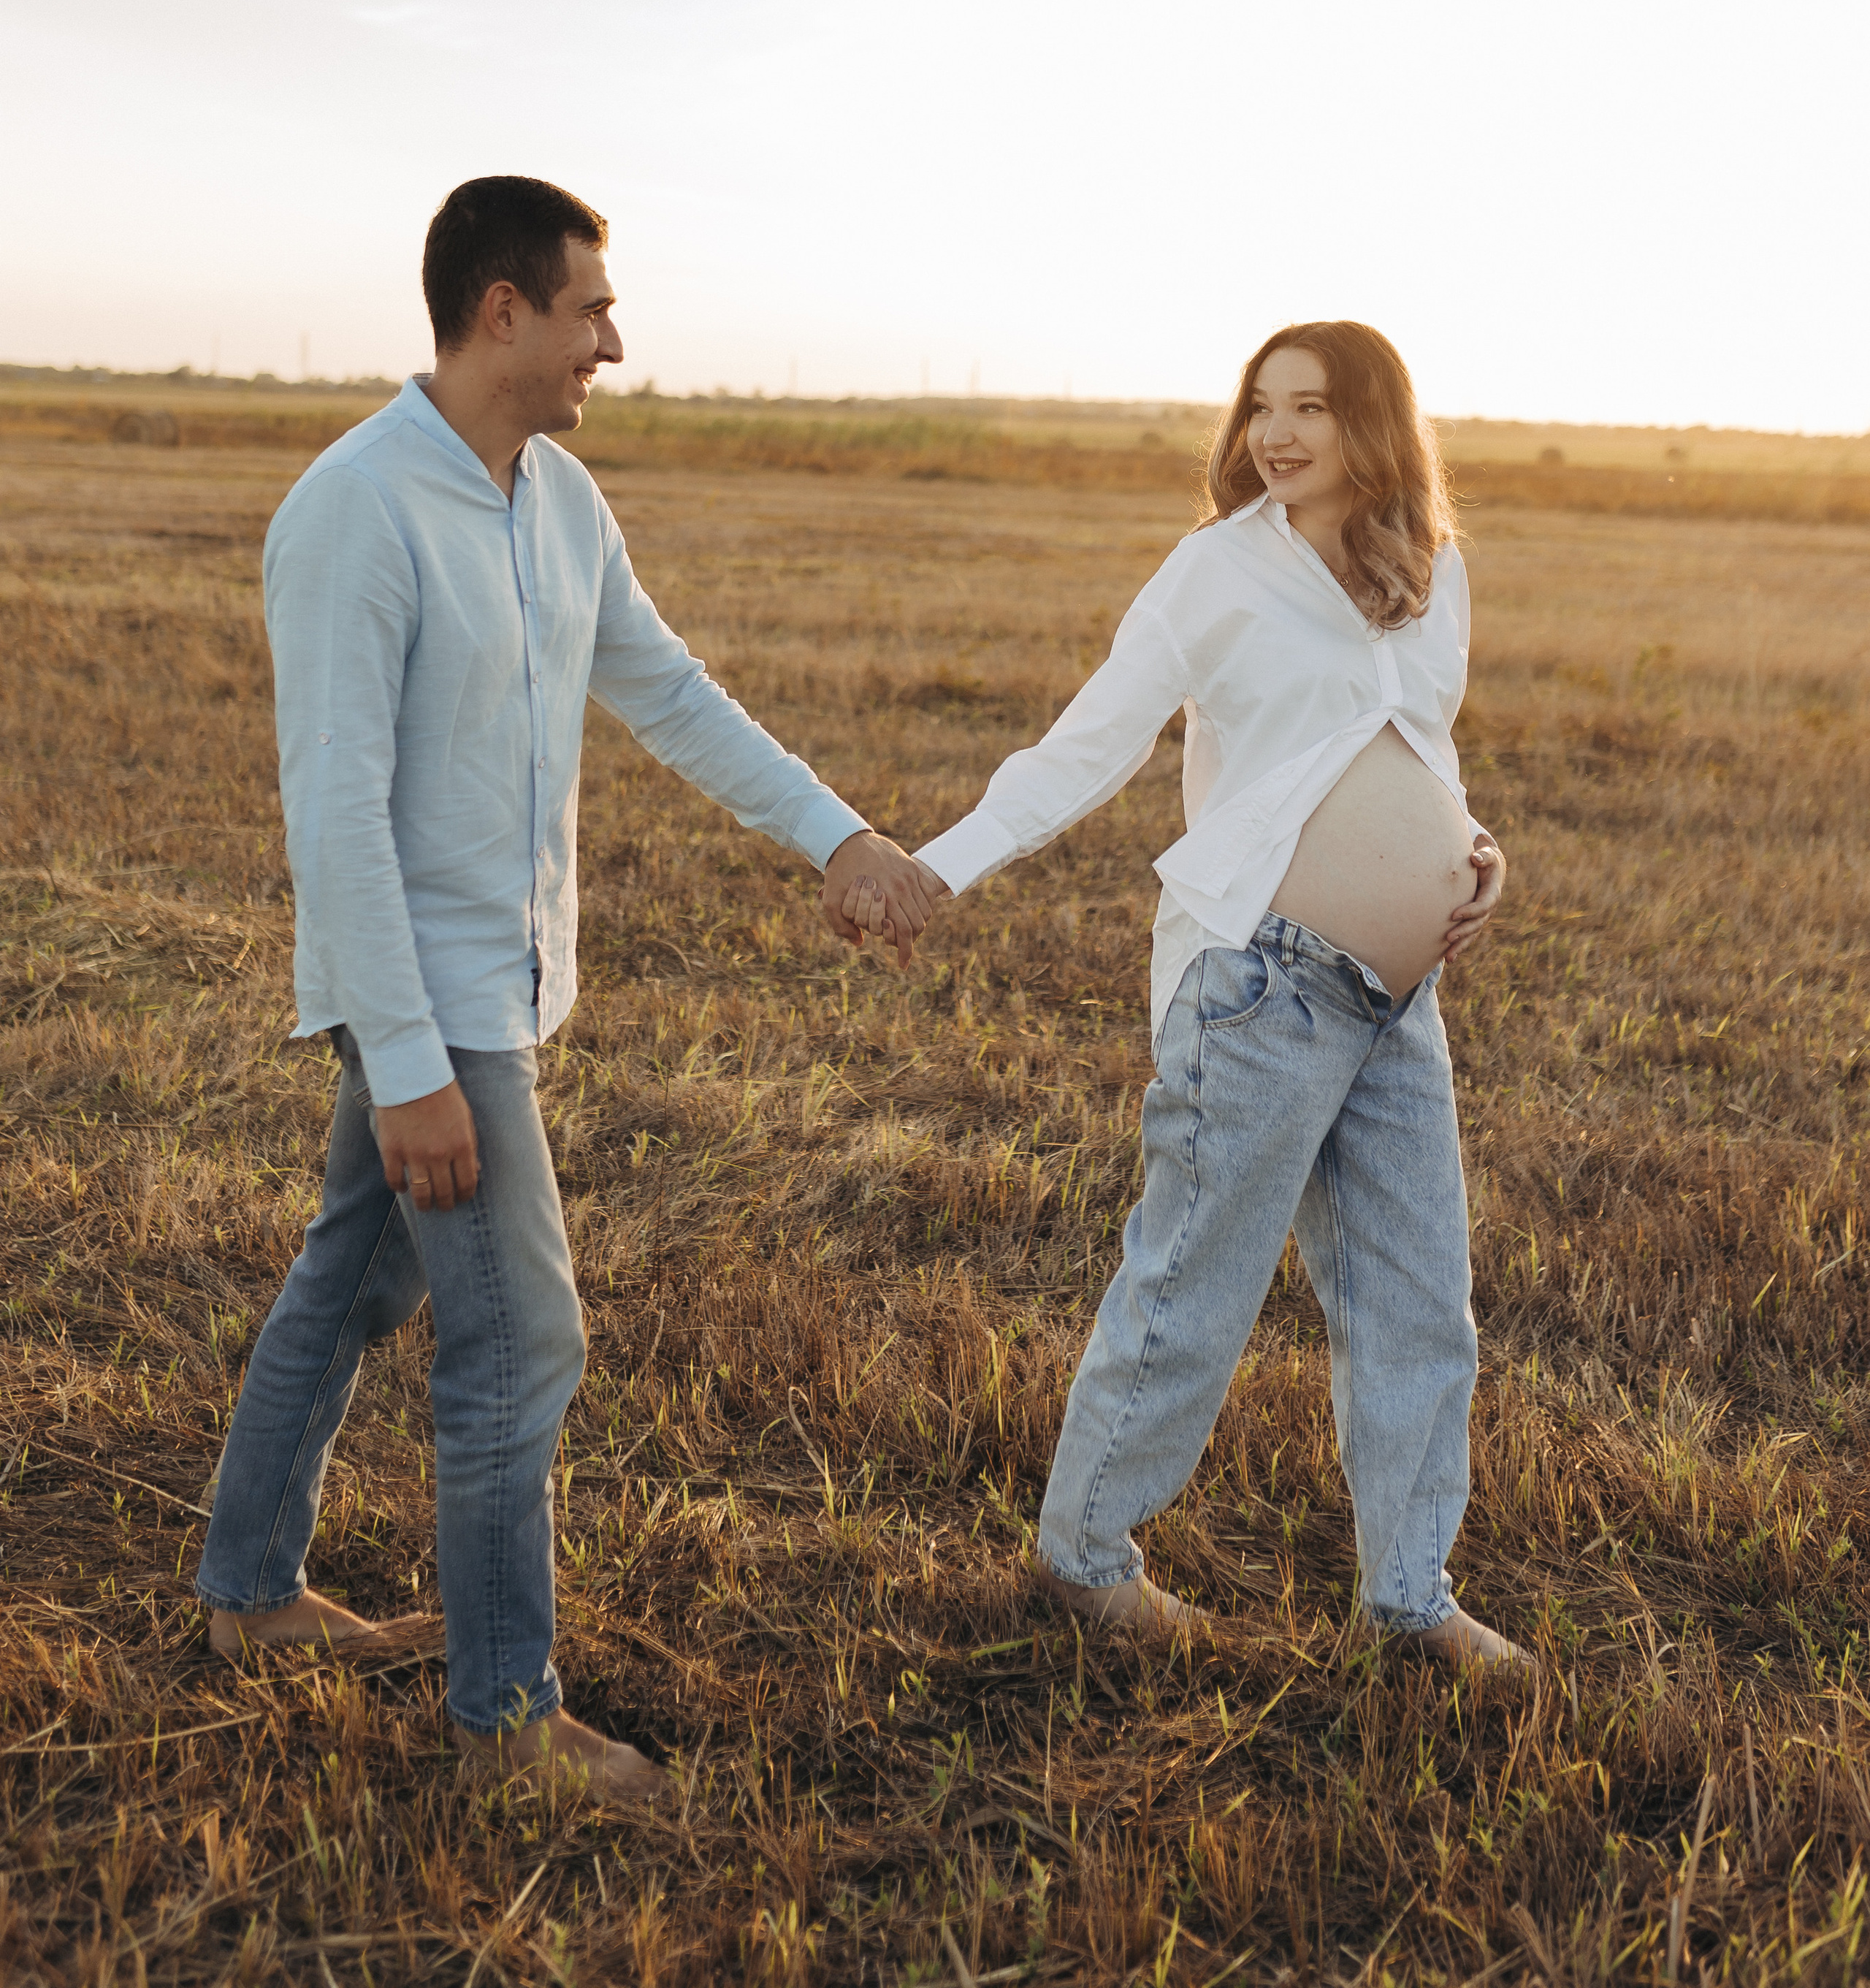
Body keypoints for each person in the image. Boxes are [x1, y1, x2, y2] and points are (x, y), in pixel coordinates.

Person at [196, 175, 932, 1801]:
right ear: (504, 310)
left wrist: (838, 838)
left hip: (502, 989)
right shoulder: (355, 510)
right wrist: (404, 1064)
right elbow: (334, 814)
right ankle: (504, 1722)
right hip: (429, 1000)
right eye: (594, 306)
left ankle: (247, 1595)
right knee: (518, 1345)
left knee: (354, 1282)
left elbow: (669, 692)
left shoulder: (557, 503)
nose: (617, 338)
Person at [851, 321, 1519, 1664]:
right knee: (1192, 1287)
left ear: (1374, 425)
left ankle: (1411, 1597)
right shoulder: (1214, 573)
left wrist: (1475, 853)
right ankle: (1084, 1562)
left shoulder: (1434, 572)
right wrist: (938, 866)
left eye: (1311, 409)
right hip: (1257, 982)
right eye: (1261, 408)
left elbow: (1415, 751)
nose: (1275, 435)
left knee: (1416, 1300)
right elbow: (1083, 749)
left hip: (1400, 1002)